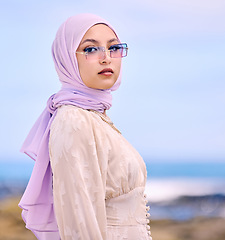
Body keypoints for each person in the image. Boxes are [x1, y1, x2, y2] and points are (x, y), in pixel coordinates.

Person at [19, 13, 151, 240]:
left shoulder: (95, 117)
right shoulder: (73, 120)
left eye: (114, 48)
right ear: (67, 59)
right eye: (91, 49)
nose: (106, 58)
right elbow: (78, 223)